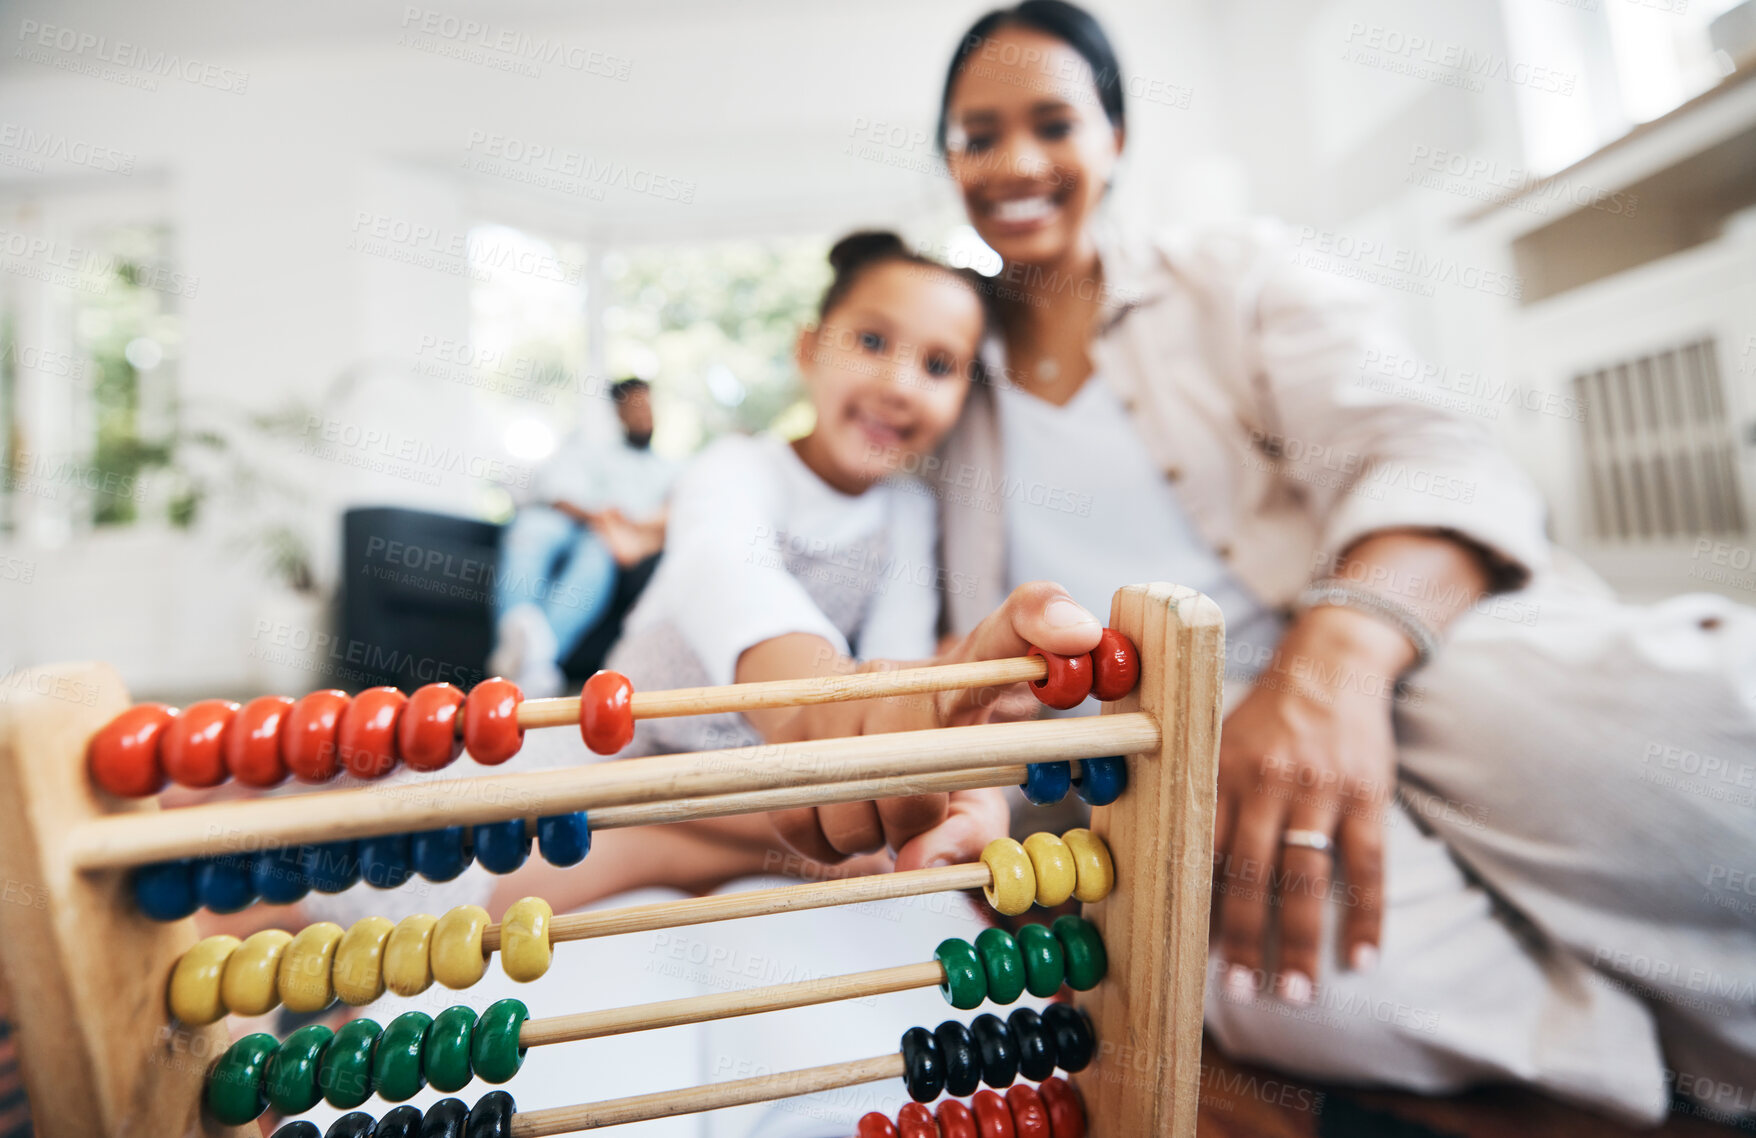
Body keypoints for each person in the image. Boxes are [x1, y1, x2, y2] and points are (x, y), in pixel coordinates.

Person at [929, 1, 1756, 1126]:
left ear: (1114, 140)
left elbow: (1434, 452)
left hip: (1380, 636)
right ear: (949, 158)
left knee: (1657, 740)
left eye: (1052, 124)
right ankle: (1666, 1084)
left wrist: (1335, 667)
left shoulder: (1232, 274)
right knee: (1307, 978)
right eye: (979, 135)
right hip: (1174, 751)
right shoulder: (940, 386)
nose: (1016, 162)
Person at [490, 378, 675, 697]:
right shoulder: (590, 450)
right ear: (619, 413)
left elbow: (663, 521)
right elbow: (556, 491)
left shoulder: (670, 471)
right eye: (635, 408)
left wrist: (617, 525)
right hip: (570, 521)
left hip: (612, 536)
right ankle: (515, 630)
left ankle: (534, 657)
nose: (644, 415)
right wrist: (596, 515)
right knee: (531, 526)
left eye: (647, 406)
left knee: (598, 553)